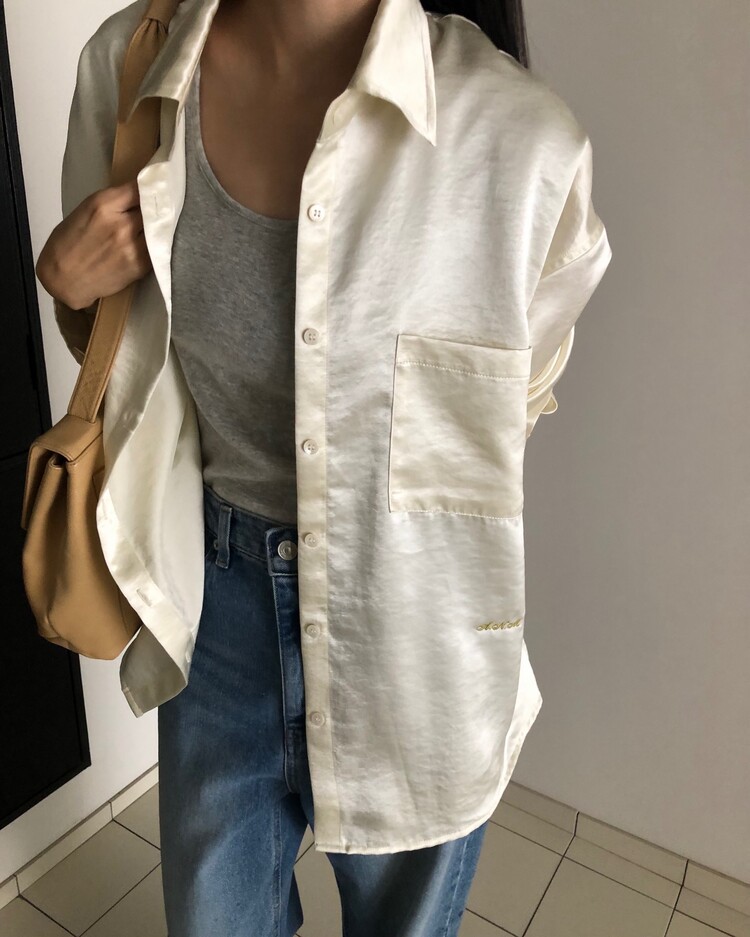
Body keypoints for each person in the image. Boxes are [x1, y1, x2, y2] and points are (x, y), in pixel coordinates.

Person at [36, 0, 612, 934]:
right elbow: (123, 349)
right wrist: (66, 284)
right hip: (215, 609)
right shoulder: (131, 67)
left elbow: (521, 386)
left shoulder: (521, 140)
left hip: (417, 626)